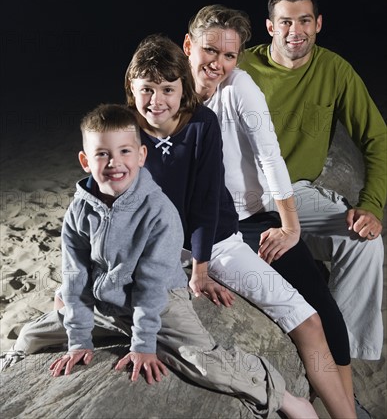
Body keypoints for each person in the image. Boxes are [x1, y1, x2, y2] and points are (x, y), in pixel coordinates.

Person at [0, 103, 319, 419]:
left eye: (125, 152)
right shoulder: (80, 209)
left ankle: (287, 398)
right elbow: (76, 271)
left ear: (141, 156)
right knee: (31, 335)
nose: (114, 163)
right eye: (102, 154)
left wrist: (141, 344)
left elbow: (152, 282)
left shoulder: (157, 210)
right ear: (85, 160)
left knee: (202, 363)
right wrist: (79, 338)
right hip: (108, 304)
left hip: (161, 305)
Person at [124, 33, 356, 418]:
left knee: (308, 319)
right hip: (157, 252)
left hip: (218, 246)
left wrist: (200, 269)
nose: (157, 100)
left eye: (168, 88)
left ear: (183, 88)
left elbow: (205, 203)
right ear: (131, 89)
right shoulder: (125, 128)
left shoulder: (202, 123)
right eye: (146, 89)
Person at [182, 3, 357, 409]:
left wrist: (290, 227)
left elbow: (270, 157)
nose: (217, 63)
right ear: (188, 45)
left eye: (228, 55)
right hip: (208, 230)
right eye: (209, 51)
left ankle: (349, 401)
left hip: (254, 218)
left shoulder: (239, 87)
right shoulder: (167, 93)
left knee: (319, 308)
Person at [238, 0, 386, 363]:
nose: (295, 31)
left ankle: (339, 362)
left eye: (304, 21)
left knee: (365, 244)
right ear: (270, 27)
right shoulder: (241, 66)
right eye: (285, 22)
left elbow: (377, 138)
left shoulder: (334, 71)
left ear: (318, 24)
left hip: (296, 193)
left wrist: (372, 205)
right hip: (240, 194)